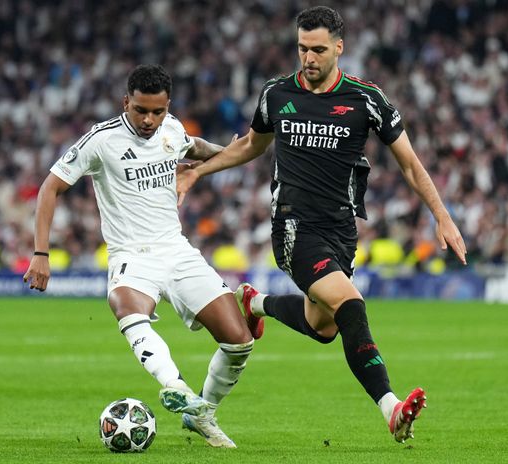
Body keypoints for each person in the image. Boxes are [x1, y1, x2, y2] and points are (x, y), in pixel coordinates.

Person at [177, 6, 467, 444]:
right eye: (301, 49)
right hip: (293, 228)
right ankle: (390, 408)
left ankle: (255, 303)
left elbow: (409, 163)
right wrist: (199, 171)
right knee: (351, 305)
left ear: (339, 48)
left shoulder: (367, 99)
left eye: (317, 50)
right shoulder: (277, 93)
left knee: (324, 326)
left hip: (341, 232)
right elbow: (252, 146)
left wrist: (442, 216)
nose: (308, 58)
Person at [23, 64, 253, 448]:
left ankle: (201, 413)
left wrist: (228, 152)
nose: (149, 120)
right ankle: (175, 386)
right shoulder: (101, 140)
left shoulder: (172, 128)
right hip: (131, 254)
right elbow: (50, 187)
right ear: (125, 102)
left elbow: (194, 147)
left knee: (239, 341)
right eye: (141, 110)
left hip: (176, 250)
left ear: (168, 107)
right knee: (128, 308)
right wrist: (40, 252)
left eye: (157, 112)